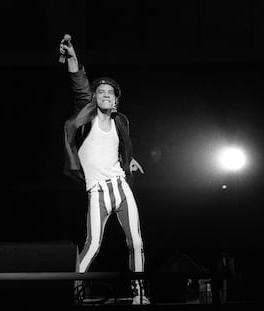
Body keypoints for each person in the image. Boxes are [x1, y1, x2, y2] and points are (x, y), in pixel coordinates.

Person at [60, 34, 149, 305]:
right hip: (97, 191)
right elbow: (79, 85)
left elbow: (121, 147)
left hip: (121, 187)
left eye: (110, 93)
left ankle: (140, 294)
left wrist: (129, 160)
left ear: (116, 100)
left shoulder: (122, 121)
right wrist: (73, 59)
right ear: (94, 98)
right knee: (92, 246)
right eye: (101, 92)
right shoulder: (87, 117)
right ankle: (73, 296)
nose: (105, 95)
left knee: (136, 242)